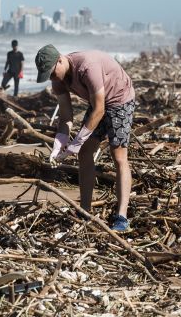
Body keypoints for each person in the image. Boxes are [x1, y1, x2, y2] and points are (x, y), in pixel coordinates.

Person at [35, 45, 135, 232]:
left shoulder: (87, 67)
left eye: (51, 72)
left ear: (60, 60)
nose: (52, 78)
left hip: (120, 98)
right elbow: (66, 116)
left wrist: (76, 143)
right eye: (47, 76)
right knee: (85, 153)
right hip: (100, 103)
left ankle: (122, 217)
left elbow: (99, 110)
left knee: (119, 156)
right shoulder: (58, 79)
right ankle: (86, 210)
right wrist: (59, 142)